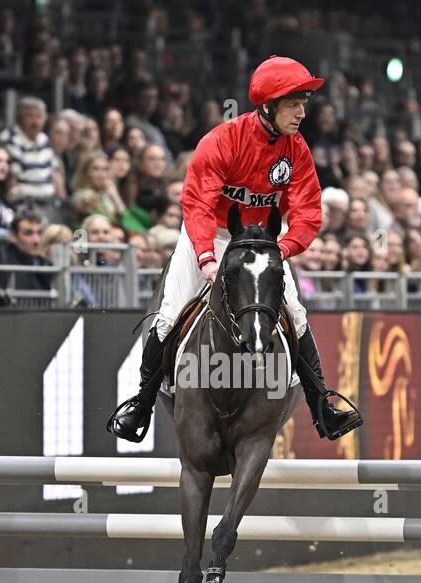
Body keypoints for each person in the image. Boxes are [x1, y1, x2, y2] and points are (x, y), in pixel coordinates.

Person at [108, 56, 362, 443]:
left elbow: (308, 212)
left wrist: (282, 248)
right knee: (170, 313)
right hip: (211, 234)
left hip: (263, 243)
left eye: (304, 104)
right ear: (269, 105)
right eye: (294, 104)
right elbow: (198, 205)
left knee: (296, 312)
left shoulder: (297, 150)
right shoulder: (222, 140)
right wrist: (207, 257)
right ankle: (140, 405)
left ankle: (321, 406)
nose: (302, 113)